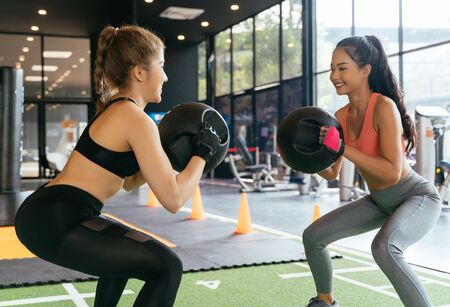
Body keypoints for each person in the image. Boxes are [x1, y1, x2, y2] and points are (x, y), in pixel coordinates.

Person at [15, 25, 220, 307]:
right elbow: (174, 199)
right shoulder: (134, 117)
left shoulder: (119, 109)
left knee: (126, 254)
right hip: (57, 218)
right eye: (161, 65)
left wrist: (168, 158)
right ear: (139, 72)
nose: (166, 76)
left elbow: (128, 180)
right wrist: (203, 153)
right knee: (167, 266)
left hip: (51, 213)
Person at [302, 35, 441, 307]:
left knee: (385, 248)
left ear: (365, 70)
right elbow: (331, 174)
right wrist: (304, 158)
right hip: (379, 201)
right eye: (332, 68)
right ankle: (325, 301)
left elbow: (391, 172)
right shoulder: (340, 116)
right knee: (313, 237)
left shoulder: (383, 107)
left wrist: (342, 147)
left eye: (342, 68)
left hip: (416, 197)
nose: (334, 75)